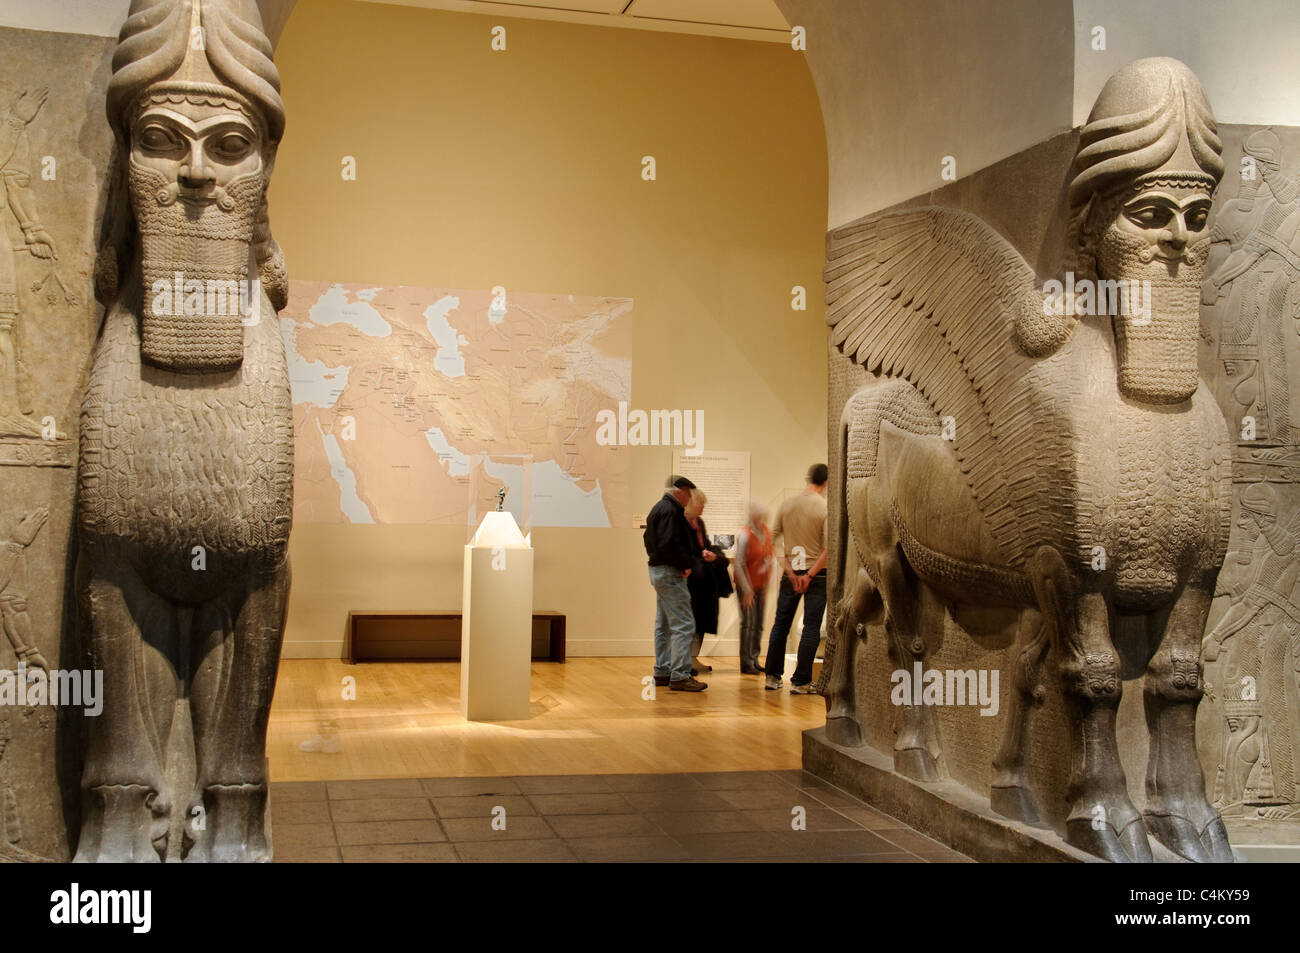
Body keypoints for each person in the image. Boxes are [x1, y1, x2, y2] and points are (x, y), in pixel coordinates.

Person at [764, 463, 828, 693]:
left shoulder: (787, 504)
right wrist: (809, 575)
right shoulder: (824, 507)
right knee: (811, 627)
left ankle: (772, 676)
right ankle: (801, 682)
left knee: (781, 623)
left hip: (791, 573)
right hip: (817, 575)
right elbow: (829, 549)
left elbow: (773, 539)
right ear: (826, 482)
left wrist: (790, 572)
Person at [643, 475, 707, 692]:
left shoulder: (658, 508)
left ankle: (662, 671)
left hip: (657, 570)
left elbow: (649, 540)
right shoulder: (672, 511)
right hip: (670, 573)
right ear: (680, 491)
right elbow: (669, 544)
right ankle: (679, 675)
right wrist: (685, 564)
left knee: (663, 624)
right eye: (689, 493)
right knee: (684, 623)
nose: (690, 498)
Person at [684, 489, 730, 674]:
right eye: (700, 505)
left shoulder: (699, 522)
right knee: (689, 622)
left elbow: (705, 545)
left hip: (704, 583)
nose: (702, 508)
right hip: (691, 581)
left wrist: (712, 555)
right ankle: (684, 661)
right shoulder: (682, 522)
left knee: (702, 621)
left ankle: (693, 659)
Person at [733, 498, 773, 674]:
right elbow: (739, 563)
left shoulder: (766, 531)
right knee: (748, 623)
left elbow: (768, 559)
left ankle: (754, 658)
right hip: (746, 586)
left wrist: (765, 585)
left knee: (759, 624)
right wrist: (747, 590)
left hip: (760, 585)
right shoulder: (745, 534)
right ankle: (746, 662)